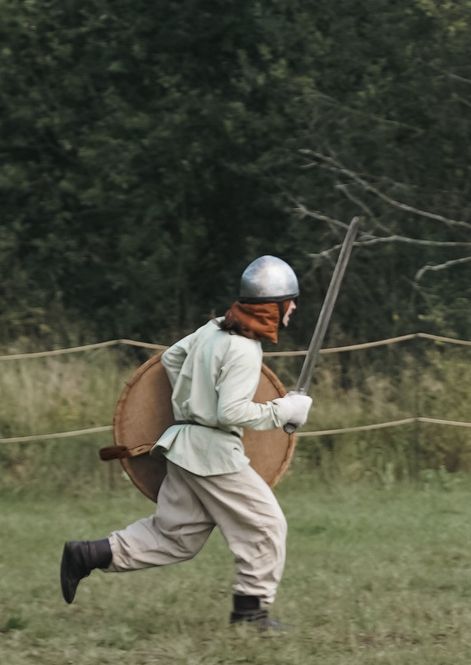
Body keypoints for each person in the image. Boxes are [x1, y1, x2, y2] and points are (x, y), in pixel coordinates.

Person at [58, 255, 314, 629]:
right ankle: (250, 612)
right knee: (265, 524)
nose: (293, 307)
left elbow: (173, 358)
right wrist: (284, 410)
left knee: (177, 537)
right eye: (289, 301)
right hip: (213, 455)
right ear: (271, 307)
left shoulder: (212, 330)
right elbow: (231, 412)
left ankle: (87, 555)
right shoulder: (244, 350)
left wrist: (194, 398)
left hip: (182, 445)